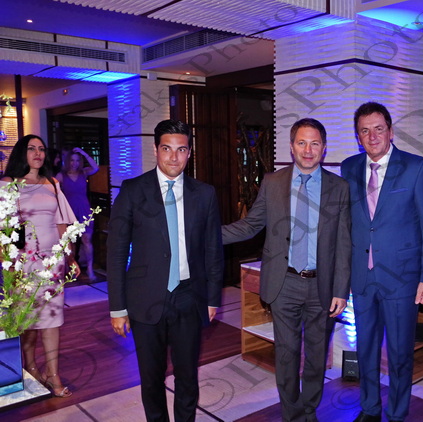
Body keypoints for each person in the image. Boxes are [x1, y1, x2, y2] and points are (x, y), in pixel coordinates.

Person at [222, 118, 351, 422]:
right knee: (287, 352)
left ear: (324, 147)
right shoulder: (273, 182)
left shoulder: (339, 187)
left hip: (322, 286)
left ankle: (310, 410)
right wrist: (204, 235)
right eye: (302, 143)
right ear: (292, 147)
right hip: (284, 283)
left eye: (315, 143)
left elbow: (345, 243)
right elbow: (251, 225)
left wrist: (341, 290)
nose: (308, 150)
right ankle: (292, 414)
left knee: (317, 355)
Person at [107, 119, 224, 422]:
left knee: (188, 376)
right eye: (167, 149)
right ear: (156, 150)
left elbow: (213, 249)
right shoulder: (133, 190)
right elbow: (116, 253)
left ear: (190, 152)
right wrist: (117, 307)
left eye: (181, 149)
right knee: (151, 378)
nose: (174, 157)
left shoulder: (204, 194)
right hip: (145, 298)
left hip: (189, 296)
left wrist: (213, 298)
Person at [341, 102, 423, 422]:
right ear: (358, 136)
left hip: (402, 279)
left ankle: (397, 413)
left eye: (378, 129)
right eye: (365, 131)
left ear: (391, 131)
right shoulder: (348, 168)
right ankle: (370, 408)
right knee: (366, 349)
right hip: (362, 277)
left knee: (399, 354)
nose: (372, 136)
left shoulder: (416, 167)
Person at [1, 134, 79, 398]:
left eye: (42, 149)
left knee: (52, 320)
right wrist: (9, 265)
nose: (38, 153)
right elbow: (4, 229)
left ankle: (53, 374)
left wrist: (69, 257)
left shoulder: (53, 184)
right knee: (26, 321)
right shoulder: (8, 184)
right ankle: (31, 367)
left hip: (53, 262)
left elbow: (61, 223)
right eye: (32, 148)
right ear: (22, 153)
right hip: (23, 264)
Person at [56, 147, 100, 281]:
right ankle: (69, 270)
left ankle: (90, 269)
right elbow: (52, 189)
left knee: (87, 240)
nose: (74, 163)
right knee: (69, 242)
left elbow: (95, 167)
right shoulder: (61, 175)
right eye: (72, 160)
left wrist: (84, 153)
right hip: (69, 211)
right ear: (67, 161)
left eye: (77, 160)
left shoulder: (84, 172)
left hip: (84, 210)